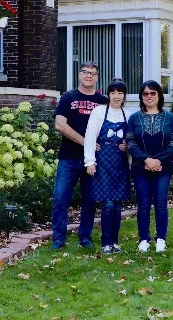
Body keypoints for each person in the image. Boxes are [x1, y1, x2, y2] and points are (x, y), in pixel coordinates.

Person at [51, 62, 108, 250]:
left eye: (93, 73)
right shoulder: (68, 97)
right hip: (69, 157)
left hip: (93, 160)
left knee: (90, 200)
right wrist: (86, 142)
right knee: (61, 198)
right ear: (79, 75)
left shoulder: (103, 101)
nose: (89, 76)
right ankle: (58, 238)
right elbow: (60, 125)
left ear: (97, 77)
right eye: (85, 72)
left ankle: (85, 237)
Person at [126, 80, 173, 253]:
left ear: (159, 95)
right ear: (141, 97)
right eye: (145, 94)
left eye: (153, 93)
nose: (149, 96)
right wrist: (146, 160)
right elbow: (130, 142)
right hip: (141, 168)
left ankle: (161, 239)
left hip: (163, 168)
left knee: (161, 203)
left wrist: (158, 161)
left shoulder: (169, 117)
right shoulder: (134, 118)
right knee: (143, 204)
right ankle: (143, 239)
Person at [84, 79, 134, 253]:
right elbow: (90, 136)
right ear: (108, 94)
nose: (116, 96)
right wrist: (90, 161)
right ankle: (106, 243)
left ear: (124, 96)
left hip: (120, 164)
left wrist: (127, 145)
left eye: (120, 93)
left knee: (118, 205)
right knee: (108, 205)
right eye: (113, 92)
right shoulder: (99, 112)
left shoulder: (128, 115)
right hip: (103, 162)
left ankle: (115, 242)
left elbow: (133, 139)